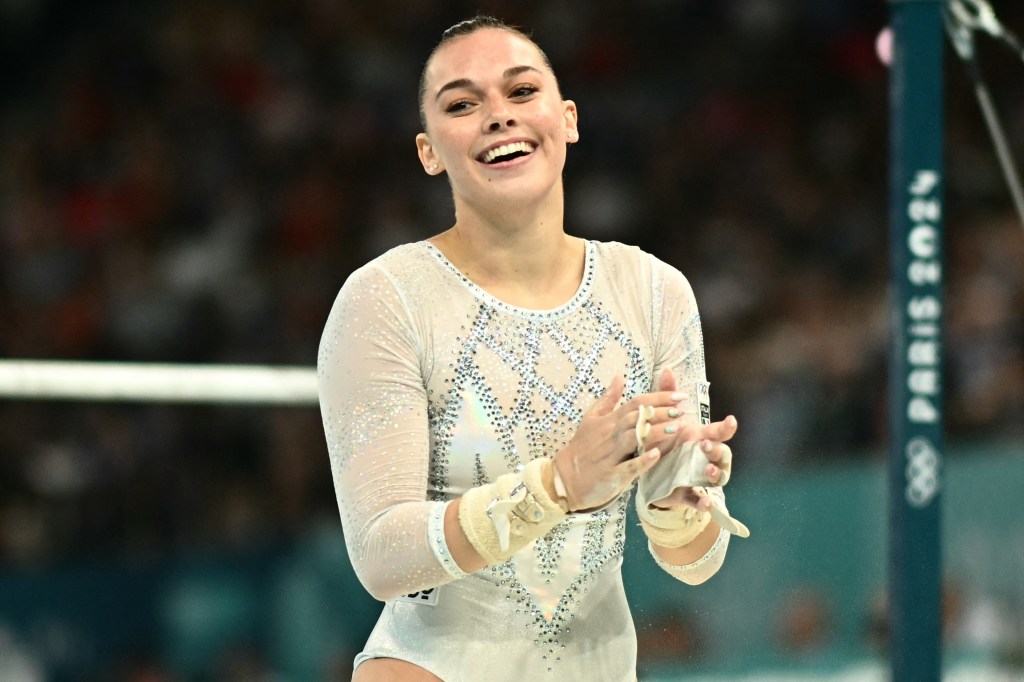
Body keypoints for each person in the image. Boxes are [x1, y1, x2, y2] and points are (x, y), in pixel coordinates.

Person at [317, 15, 746, 682]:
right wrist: (557, 486)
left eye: (521, 92)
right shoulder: (387, 299)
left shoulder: (656, 292)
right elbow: (382, 557)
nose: (498, 116)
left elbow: (693, 563)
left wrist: (678, 500)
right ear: (429, 151)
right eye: (463, 104)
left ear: (567, 118)